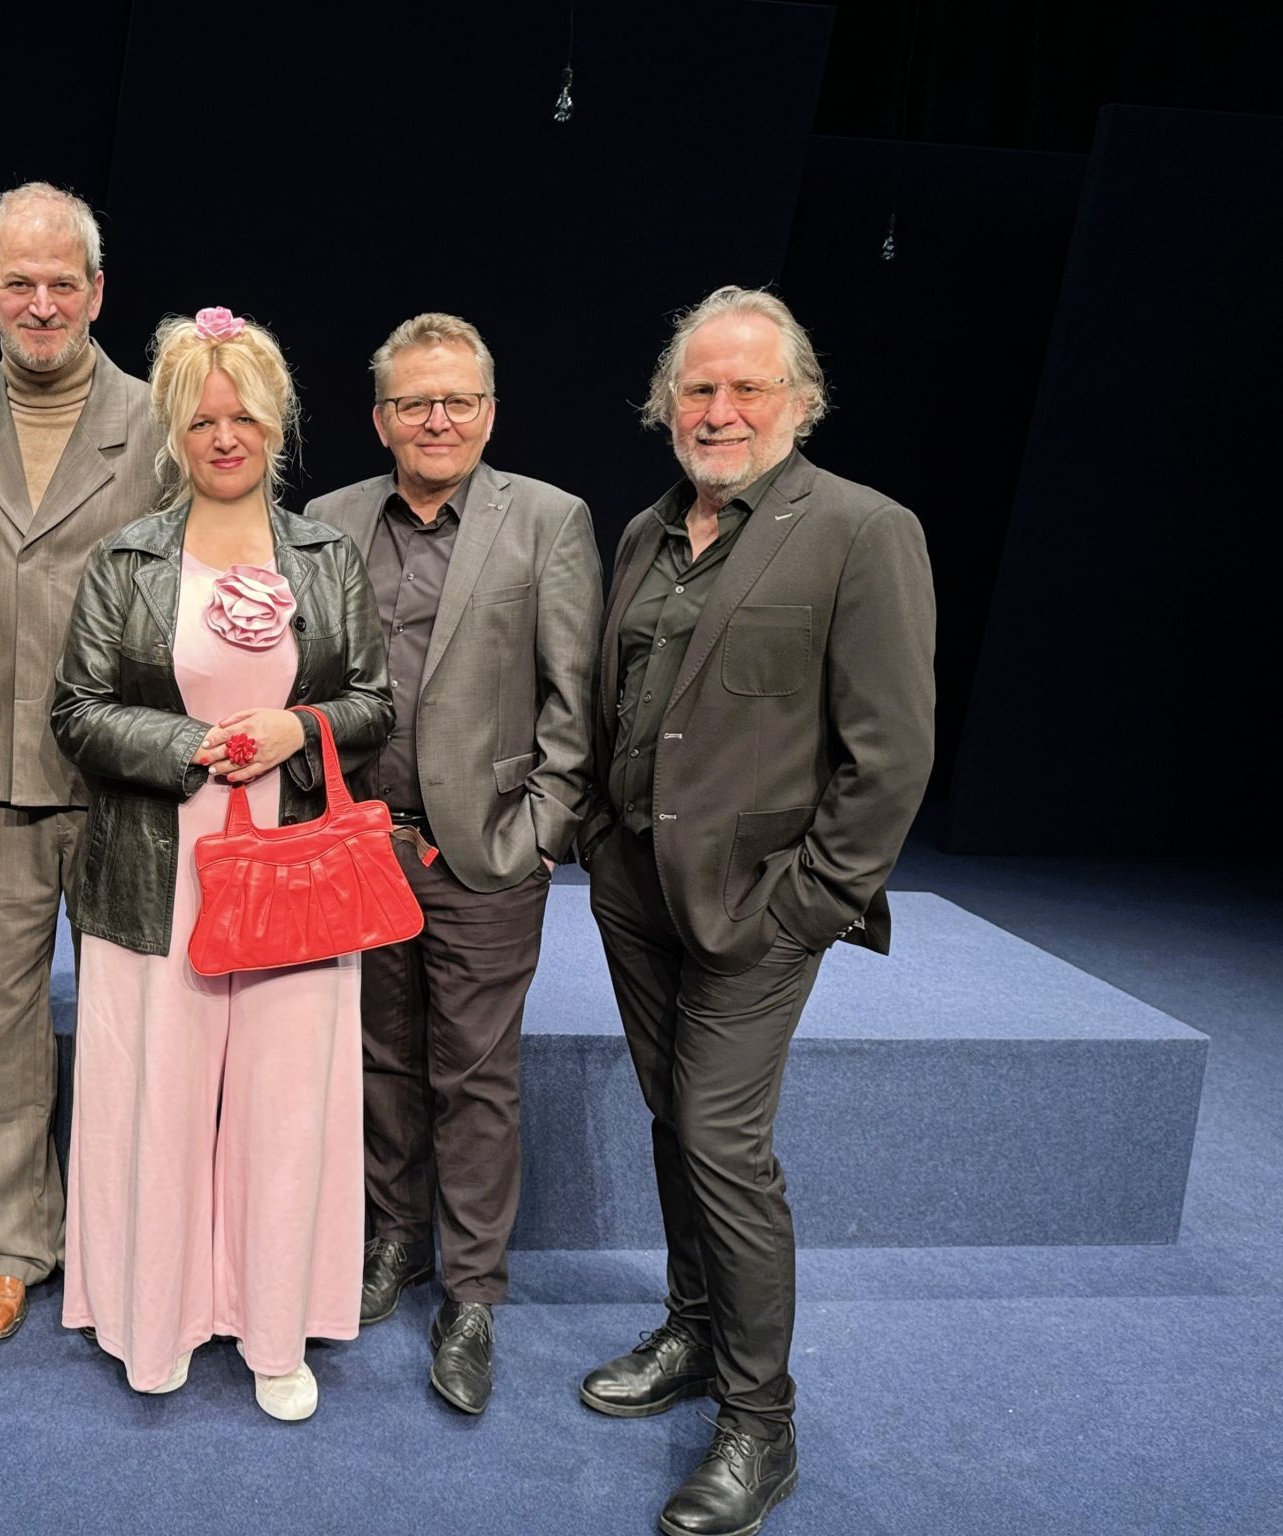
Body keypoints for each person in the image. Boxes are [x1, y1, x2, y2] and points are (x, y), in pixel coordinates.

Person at [578, 286, 935, 1536]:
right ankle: (687, 1331)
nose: (717, 410)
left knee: (724, 1147)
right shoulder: (642, 533)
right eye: (696, 388)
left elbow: (886, 755)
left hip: (757, 909)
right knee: (671, 1122)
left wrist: (811, 906)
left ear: (800, 400)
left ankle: (759, 1421)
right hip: (632, 887)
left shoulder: (860, 531)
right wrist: (591, 837)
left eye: (745, 388)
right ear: (666, 403)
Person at [50, 308, 393, 1419]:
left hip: (293, 861)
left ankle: (273, 1329)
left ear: (276, 420)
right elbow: (77, 712)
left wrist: (301, 729)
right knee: (156, 1094)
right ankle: (156, 1317)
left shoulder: (329, 557)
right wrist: (187, 746)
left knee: (287, 1100)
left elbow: (373, 702)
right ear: (171, 428)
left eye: (243, 413)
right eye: (201, 418)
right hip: (162, 860)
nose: (224, 434)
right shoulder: (126, 558)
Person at [306, 312, 601, 1414]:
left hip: (484, 855)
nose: (438, 419)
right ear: (380, 417)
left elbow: (577, 701)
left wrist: (538, 835)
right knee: (379, 1057)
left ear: (489, 409)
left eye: (459, 400)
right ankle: (397, 1244)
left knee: (473, 1075)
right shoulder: (325, 521)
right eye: (415, 402)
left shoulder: (549, 520)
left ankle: (472, 1290)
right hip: (357, 848)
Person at [0, 182, 156, 1343]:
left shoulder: (161, 417)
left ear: (97, 291)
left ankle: (129, 1239)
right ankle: (11, 1245)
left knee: (135, 1025)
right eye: (18, 280)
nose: (41, 300)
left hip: (128, 783)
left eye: (62, 280)